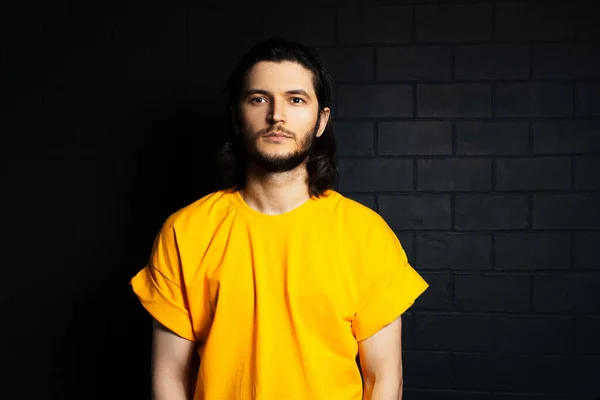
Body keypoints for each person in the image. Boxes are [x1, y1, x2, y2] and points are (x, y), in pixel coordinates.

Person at [130, 37, 428, 400]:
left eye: (296, 99)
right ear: (237, 116)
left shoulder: (366, 234)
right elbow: (169, 377)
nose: (277, 116)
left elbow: (383, 380)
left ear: (321, 121)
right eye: (259, 99)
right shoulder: (185, 231)